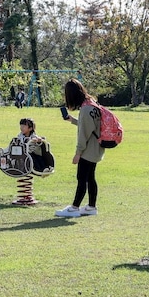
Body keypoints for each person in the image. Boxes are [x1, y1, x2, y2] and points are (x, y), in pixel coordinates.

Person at [55, 78, 105, 218]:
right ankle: (91, 207)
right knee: (90, 177)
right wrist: (72, 120)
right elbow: (89, 126)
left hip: (88, 149)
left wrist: (78, 153)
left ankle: (74, 208)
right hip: (97, 147)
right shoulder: (92, 103)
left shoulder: (85, 108)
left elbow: (84, 134)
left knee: (81, 178)